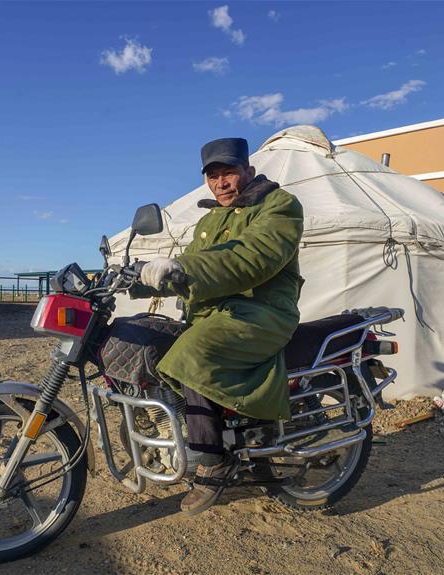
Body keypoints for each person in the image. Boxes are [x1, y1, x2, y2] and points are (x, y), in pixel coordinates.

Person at [132, 137, 304, 515]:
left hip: (263, 313)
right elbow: (187, 266)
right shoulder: (210, 220)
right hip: (216, 314)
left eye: (229, 173)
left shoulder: (279, 205)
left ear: (249, 171)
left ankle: (213, 461)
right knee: (147, 339)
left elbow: (251, 256)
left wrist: (183, 267)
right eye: (213, 176)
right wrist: (135, 278)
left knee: (192, 354)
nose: (221, 183)